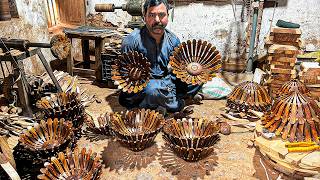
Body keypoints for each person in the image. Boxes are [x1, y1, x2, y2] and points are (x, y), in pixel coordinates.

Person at [119, 0, 201, 114]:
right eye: (152, 15)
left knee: (197, 78)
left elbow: (177, 68)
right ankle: (176, 103)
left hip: (165, 81)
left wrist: (186, 73)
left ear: (168, 15)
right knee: (153, 90)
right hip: (141, 86)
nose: (157, 20)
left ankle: (163, 100)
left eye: (162, 15)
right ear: (144, 17)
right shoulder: (131, 41)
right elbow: (124, 78)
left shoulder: (173, 40)